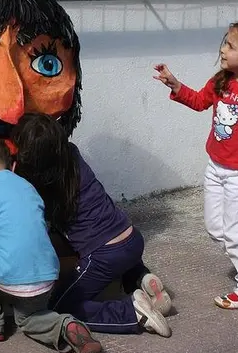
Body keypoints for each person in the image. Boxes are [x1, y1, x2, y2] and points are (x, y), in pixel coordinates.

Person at [154, 20, 238, 309]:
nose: (223, 49)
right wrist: (176, 85)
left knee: (236, 235)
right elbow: (200, 101)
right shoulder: (221, 81)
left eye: (230, 45)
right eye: (224, 43)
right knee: (217, 229)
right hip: (216, 169)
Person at [12, 114, 172, 337]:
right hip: (131, 238)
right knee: (109, 244)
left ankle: (131, 312)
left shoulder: (36, 180)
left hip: (104, 254)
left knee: (61, 305)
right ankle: (140, 277)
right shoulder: (72, 153)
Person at [0, 138, 104, 353]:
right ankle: (65, 325)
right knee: (32, 313)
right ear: (12, 165)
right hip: (48, 274)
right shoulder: (28, 187)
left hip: (10, 275)